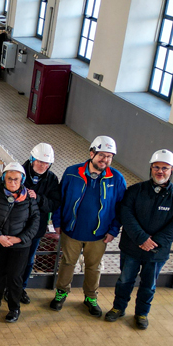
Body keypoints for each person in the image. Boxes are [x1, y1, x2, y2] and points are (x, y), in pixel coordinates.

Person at [105, 149, 173, 330]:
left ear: (172, 169)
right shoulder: (135, 191)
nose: (160, 171)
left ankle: (142, 313)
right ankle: (118, 308)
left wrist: (154, 242)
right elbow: (126, 215)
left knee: (148, 285)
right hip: (132, 247)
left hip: (156, 252)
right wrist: (142, 238)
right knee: (124, 280)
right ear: (151, 168)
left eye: (165, 168)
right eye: (156, 167)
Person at [51, 135, 126, 317]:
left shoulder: (116, 179)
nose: (105, 160)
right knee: (67, 263)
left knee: (94, 267)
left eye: (109, 156)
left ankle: (91, 298)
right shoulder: (71, 173)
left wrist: (113, 230)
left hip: (99, 235)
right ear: (91, 153)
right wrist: (58, 222)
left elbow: (121, 207)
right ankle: (61, 293)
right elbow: (59, 200)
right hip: (72, 230)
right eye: (101, 155)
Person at [0, 162, 40, 323]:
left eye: (16, 179)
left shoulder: (29, 198)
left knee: (15, 277)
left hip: (20, 246)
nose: (12, 183)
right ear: (4, 178)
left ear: (22, 180)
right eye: (9, 179)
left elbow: (35, 221)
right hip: (0, 243)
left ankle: (14, 308)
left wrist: (20, 238)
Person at [17, 143, 61, 303]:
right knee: (12, 259)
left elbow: (54, 203)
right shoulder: (18, 173)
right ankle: (8, 287)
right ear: (32, 159)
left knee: (28, 260)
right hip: (15, 227)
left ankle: (21, 288)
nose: (43, 165)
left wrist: (38, 198)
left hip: (36, 228)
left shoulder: (51, 179)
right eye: (40, 161)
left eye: (46, 163)